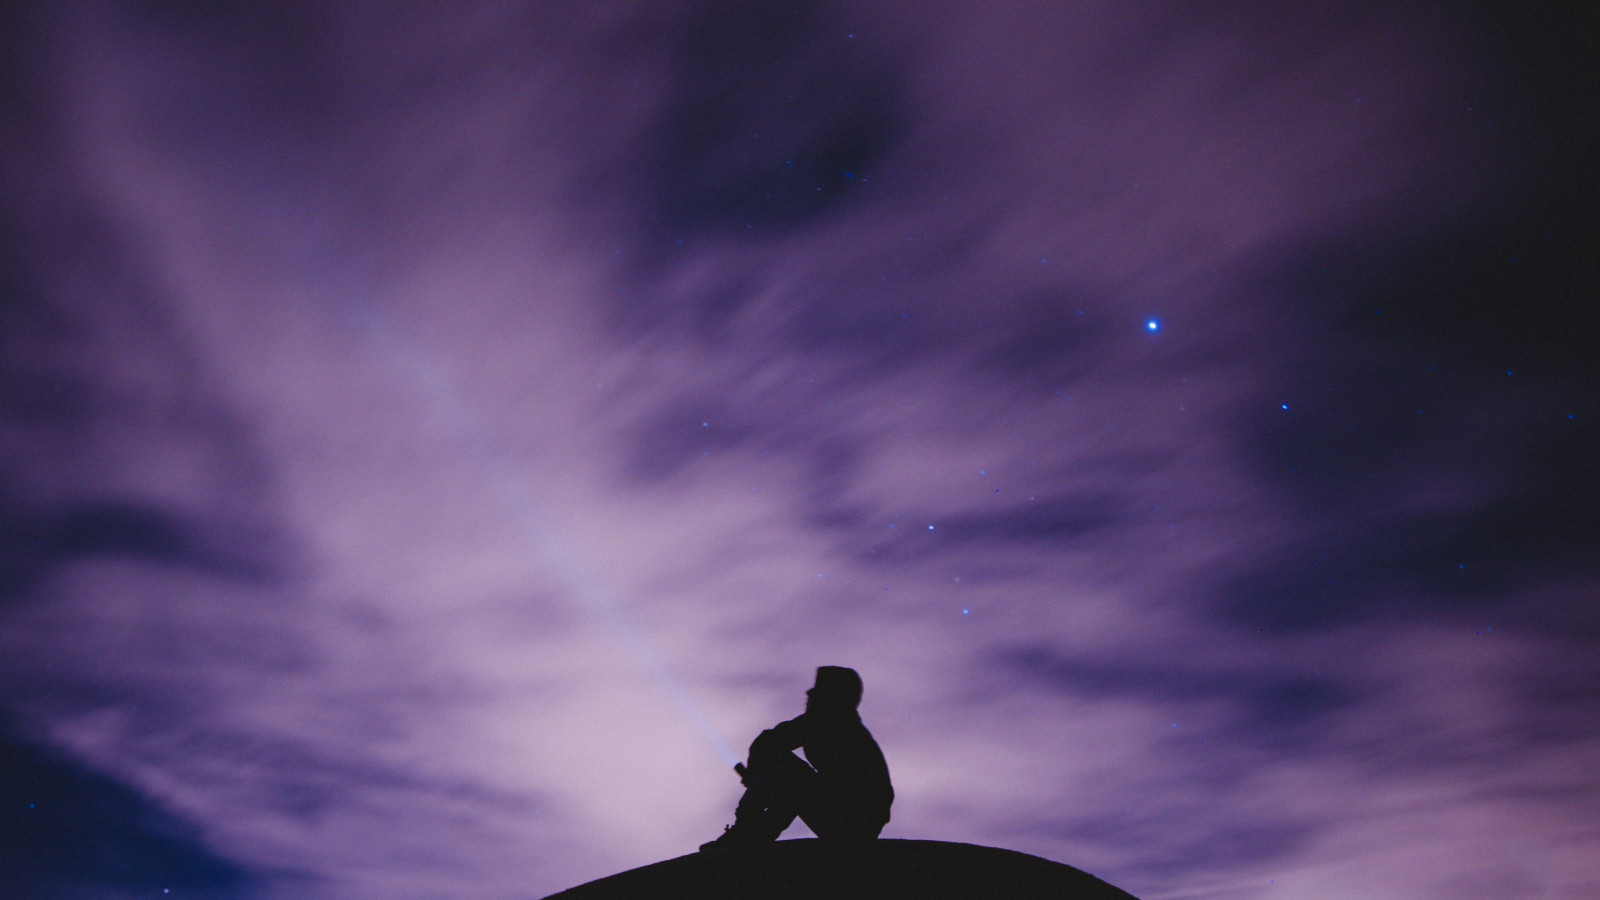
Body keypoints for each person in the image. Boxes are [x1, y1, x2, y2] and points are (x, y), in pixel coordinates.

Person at [700, 666, 893, 850]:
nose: (808, 695)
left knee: (779, 763)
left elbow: (768, 742)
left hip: (849, 822)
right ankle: (753, 835)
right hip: (853, 821)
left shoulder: (829, 721)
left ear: (832, 696)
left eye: (817, 691)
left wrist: (754, 776)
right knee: (786, 782)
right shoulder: (843, 725)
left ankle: (745, 831)